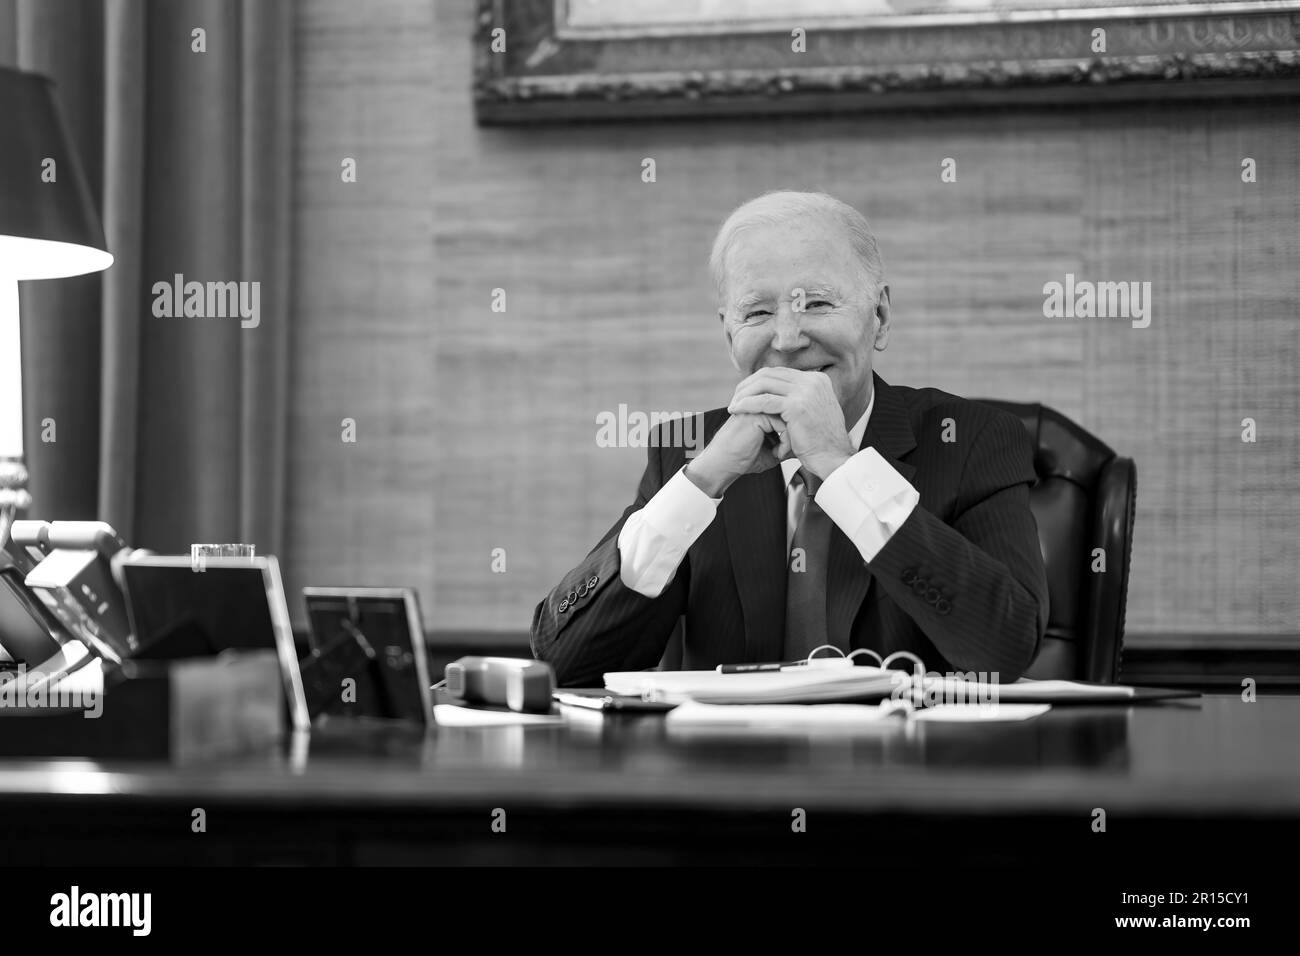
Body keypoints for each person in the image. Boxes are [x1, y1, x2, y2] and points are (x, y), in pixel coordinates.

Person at [531, 191, 1048, 687]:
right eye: (757, 313)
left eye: (817, 303)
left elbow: (1002, 650)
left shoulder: (973, 441)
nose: (787, 339)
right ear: (729, 335)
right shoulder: (689, 454)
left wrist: (843, 470)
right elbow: (566, 661)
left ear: (880, 318)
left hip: (904, 768)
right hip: (740, 771)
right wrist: (701, 483)